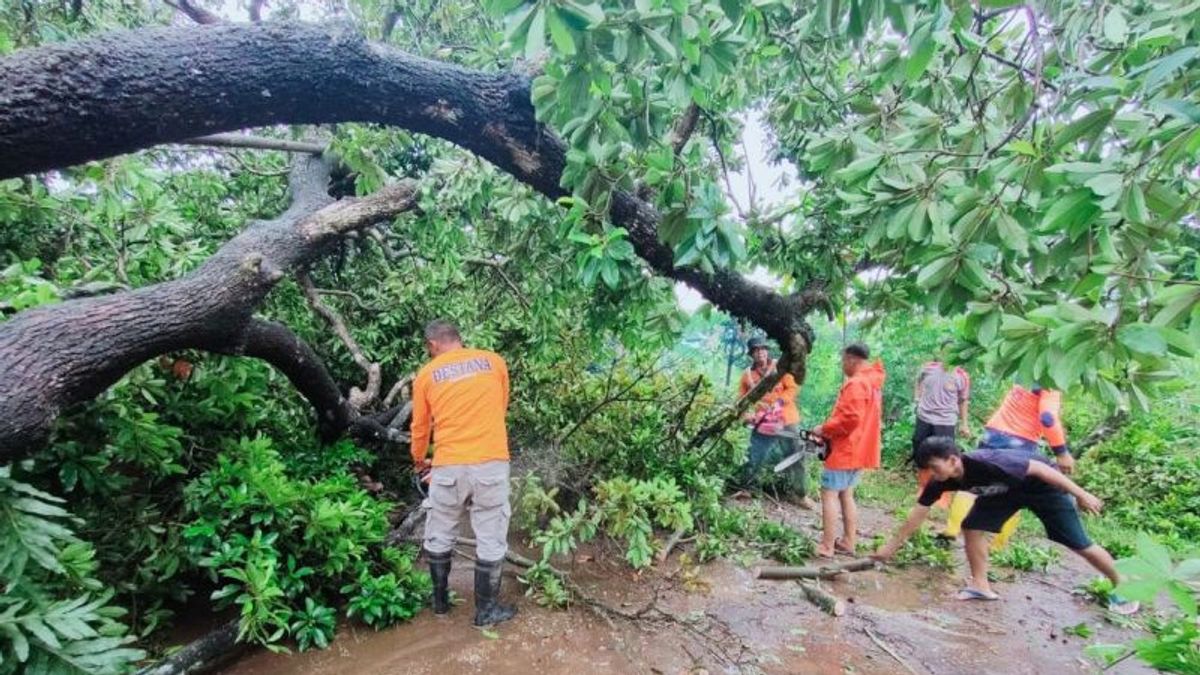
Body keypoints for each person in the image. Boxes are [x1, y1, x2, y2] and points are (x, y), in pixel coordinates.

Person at [872, 437, 1139, 615]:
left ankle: (1124, 586)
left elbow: (1042, 470)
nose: (932, 473)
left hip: (1042, 489)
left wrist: (1081, 494)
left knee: (1077, 542)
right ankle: (980, 585)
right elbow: (917, 514)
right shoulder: (941, 481)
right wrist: (889, 548)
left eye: (933, 466)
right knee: (972, 525)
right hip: (1004, 492)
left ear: (953, 459)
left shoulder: (989, 461)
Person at [410, 319, 517, 626]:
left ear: (433, 345)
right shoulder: (494, 362)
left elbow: (420, 428)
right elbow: (500, 407)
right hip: (491, 461)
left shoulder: (427, 374)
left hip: (448, 465)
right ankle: (485, 611)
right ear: (458, 338)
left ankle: (440, 604)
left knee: (440, 530)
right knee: (490, 533)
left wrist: (420, 462)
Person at [943, 383, 1072, 549]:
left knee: (973, 484)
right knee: (1014, 493)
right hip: (1020, 441)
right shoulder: (1051, 383)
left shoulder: (1027, 373)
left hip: (994, 434)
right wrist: (1061, 452)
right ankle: (998, 547)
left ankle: (951, 531)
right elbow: (1047, 417)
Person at [812, 343, 886, 558]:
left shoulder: (856, 384)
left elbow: (850, 419)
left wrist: (823, 429)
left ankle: (827, 546)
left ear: (852, 359)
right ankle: (848, 541)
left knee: (829, 494)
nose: (843, 365)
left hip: (846, 449)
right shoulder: (872, 382)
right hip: (860, 449)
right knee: (846, 494)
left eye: (843, 360)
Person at [738, 336, 814, 508]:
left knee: (796, 452)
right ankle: (747, 488)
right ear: (751, 354)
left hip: (786, 417)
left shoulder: (779, 367)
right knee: (755, 454)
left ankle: (799, 494)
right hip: (763, 421)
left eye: (763, 349)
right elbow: (742, 400)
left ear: (767, 350)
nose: (760, 353)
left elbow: (793, 388)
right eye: (756, 350)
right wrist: (747, 416)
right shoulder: (747, 375)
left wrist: (779, 402)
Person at [911, 343, 971, 503]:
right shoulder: (928, 368)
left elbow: (963, 400)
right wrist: (917, 398)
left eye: (953, 352)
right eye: (946, 351)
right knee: (920, 450)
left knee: (944, 457)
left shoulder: (961, 376)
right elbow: (917, 381)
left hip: (946, 420)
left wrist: (964, 424)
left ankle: (943, 495)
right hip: (924, 416)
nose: (949, 355)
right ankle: (923, 488)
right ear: (941, 352)